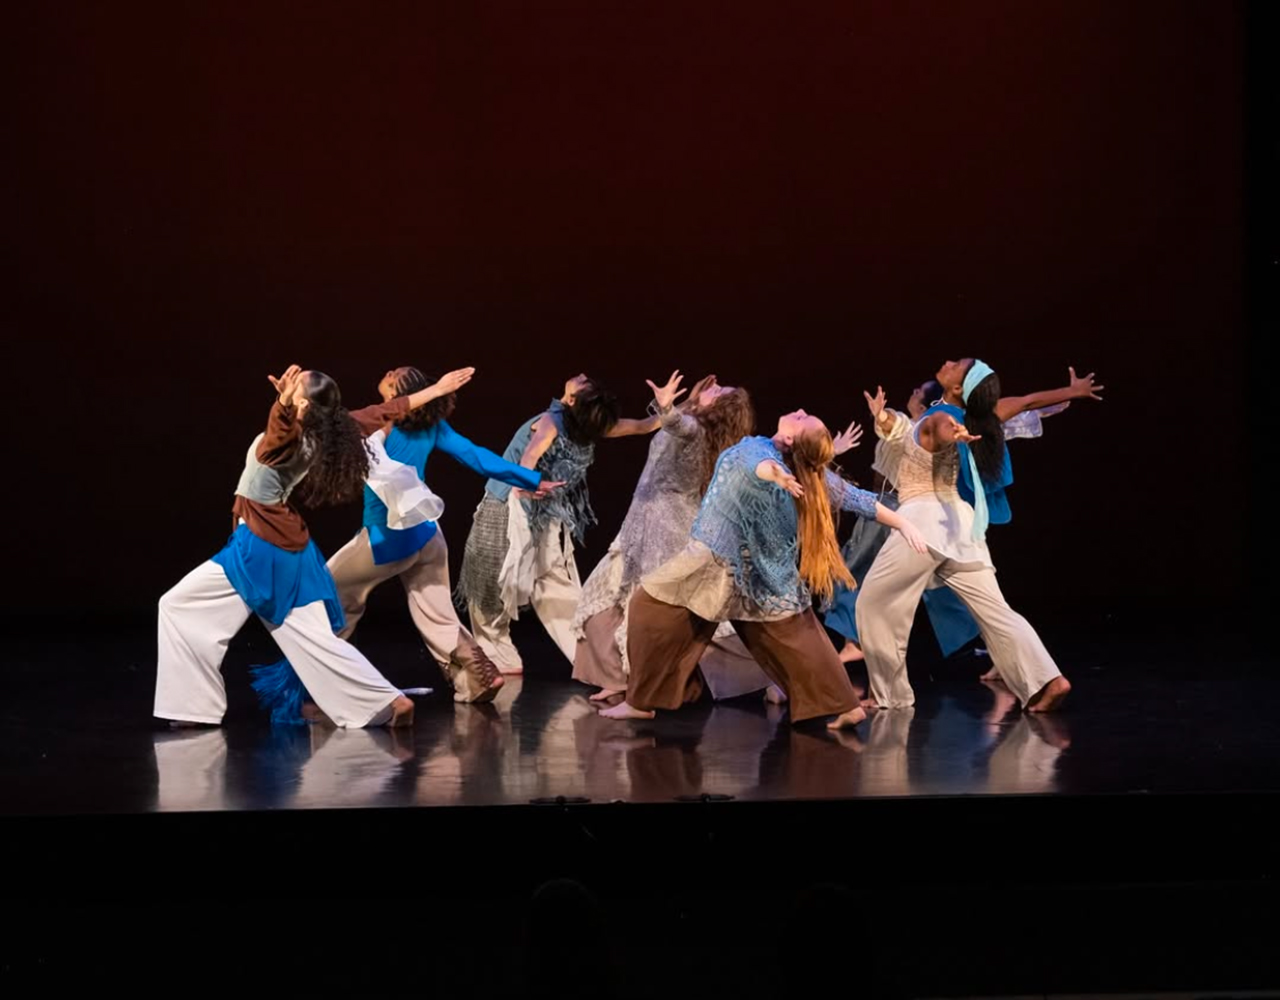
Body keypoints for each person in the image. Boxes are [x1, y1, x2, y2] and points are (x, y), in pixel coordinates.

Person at [155, 364, 473, 728]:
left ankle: (385, 701)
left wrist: (283, 406)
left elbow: (276, 435)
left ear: (303, 405)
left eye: (297, 388)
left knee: (195, 610)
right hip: (278, 543)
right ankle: (386, 701)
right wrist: (434, 391)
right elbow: (387, 410)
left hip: (262, 546)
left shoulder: (287, 439)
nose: (289, 387)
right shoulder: (330, 429)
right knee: (189, 608)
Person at [601, 410, 928, 729]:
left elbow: (759, 465)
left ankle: (641, 702)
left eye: (802, 419)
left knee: (648, 606)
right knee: (795, 637)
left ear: (788, 438)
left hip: (717, 563)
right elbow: (854, 498)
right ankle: (843, 705)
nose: (799, 411)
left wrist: (775, 474)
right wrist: (902, 523)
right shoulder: (803, 470)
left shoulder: (765, 455)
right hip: (750, 568)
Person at [855, 361, 1072, 713]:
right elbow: (1029, 400)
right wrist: (1072, 391)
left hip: (923, 524)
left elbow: (940, 429)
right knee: (997, 614)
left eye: (957, 366)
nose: (948, 363)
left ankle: (890, 696)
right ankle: (1048, 679)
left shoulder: (945, 418)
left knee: (873, 605)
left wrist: (951, 434)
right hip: (960, 527)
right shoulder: (979, 413)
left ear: (958, 388)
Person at [572, 370, 792, 703]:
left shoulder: (696, 432)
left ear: (718, 411)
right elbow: (667, 422)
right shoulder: (696, 422)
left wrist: (668, 408)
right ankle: (619, 679)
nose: (714, 387)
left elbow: (677, 424)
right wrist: (676, 405)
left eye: (719, 392)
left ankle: (769, 677)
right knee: (605, 600)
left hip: (669, 530)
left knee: (679, 615)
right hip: (640, 524)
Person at [455, 374, 660, 675]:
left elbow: (530, 454)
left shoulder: (552, 420)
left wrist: (525, 483)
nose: (582, 376)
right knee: (550, 587)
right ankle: (597, 661)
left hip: (509, 507)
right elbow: (645, 425)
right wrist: (671, 407)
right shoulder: (591, 427)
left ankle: (508, 652)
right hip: (547, 514)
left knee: (491, 578)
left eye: (585, 384)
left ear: (573, 400)